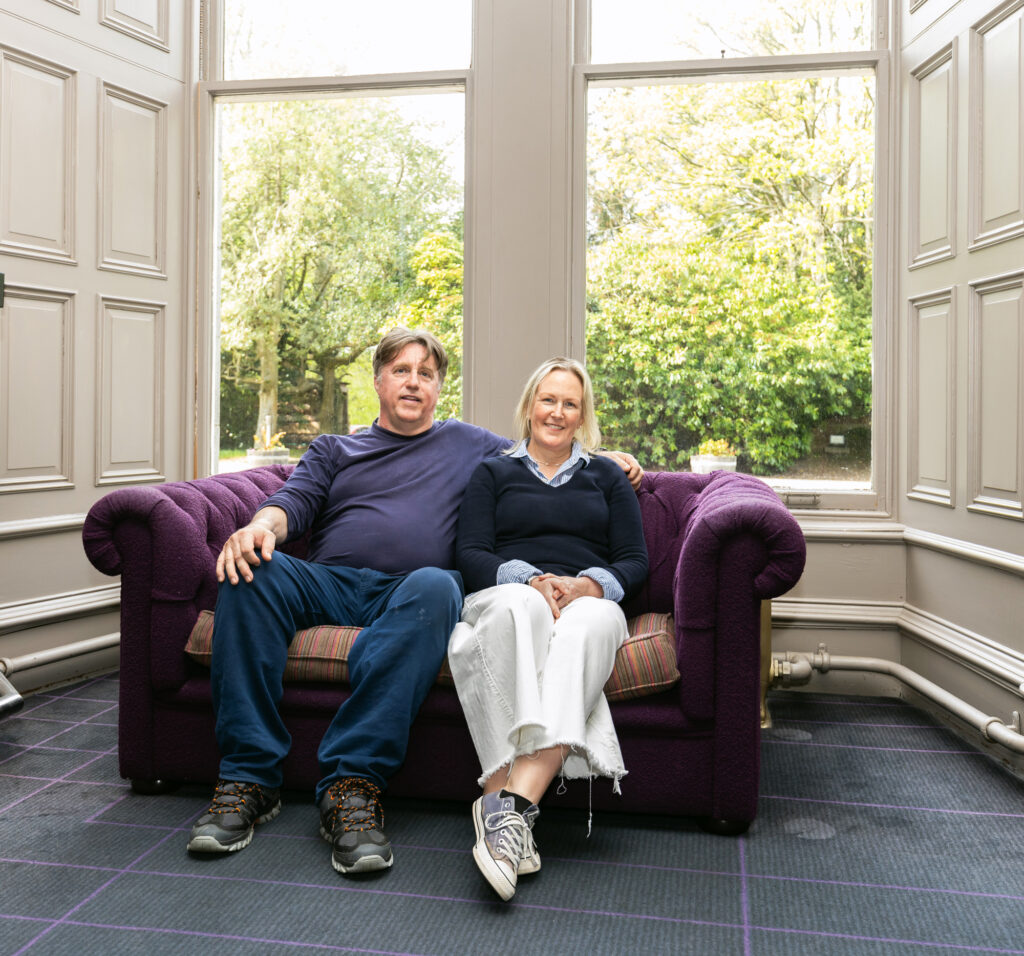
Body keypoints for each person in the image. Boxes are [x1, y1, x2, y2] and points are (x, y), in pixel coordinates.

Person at [185, 328, 642, 877]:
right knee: (250, 573)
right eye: (401, 370)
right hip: (328, 580)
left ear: (438, 389)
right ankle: (248, 779)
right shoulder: (336, 448)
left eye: (426, 374)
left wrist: (605, 458)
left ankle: (352, 787)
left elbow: (544, 448)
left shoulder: (471, 444)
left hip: (410, 594)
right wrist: (258, 527)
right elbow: (292, 503)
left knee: (438, 585)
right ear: (378, 380)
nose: (413, 382)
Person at [448, 357, 649, 901]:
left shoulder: (607, 475)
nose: (556, 412)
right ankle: (512, 812)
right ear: (529, 406)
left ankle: (509, 806)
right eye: (548, 400)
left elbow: (634, 560)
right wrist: (532, 579)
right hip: (513, 591)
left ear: (582, 417)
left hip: (587, 597)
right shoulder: (493, 472)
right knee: (520, 608)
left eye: (570, 404)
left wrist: (586, 586)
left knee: (588, 627)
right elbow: (470, 552)